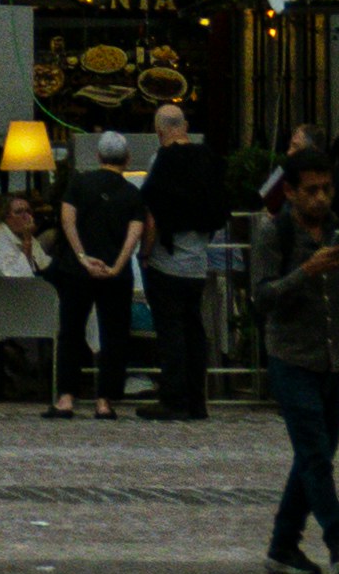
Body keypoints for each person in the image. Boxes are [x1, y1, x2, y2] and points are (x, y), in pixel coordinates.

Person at [255, 166, 339, 574]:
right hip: (293, 357)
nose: (321, 198)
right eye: (310, 190)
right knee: (314, 455)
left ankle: (282, 546)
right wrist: (306, 271)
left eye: (327, 189)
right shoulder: (273, 234)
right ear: (290, 192)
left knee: (315, 457)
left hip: (338, 357)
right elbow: (262, 296)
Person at [136, 98, 224, 425]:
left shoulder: (163, 159)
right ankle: (197, 401)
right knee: (194, 331)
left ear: (160, 132)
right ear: (185, 127)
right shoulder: (208, 158)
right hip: (197, 262)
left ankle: (173, 399)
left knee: (170, 332)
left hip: (167, 261)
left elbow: (152, 212)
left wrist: (145, 254)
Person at [50, 142, 142, 419]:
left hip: (77, 271)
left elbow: (68, 221)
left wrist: (82, 256)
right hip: (115, 274)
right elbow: (134, 233)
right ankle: (104, 401)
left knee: (71, 331)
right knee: (114, 334)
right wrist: (117, 266)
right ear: (127, 158)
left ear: (98, 155)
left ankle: (66, 397)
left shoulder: (79, 183)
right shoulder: (131, 193)